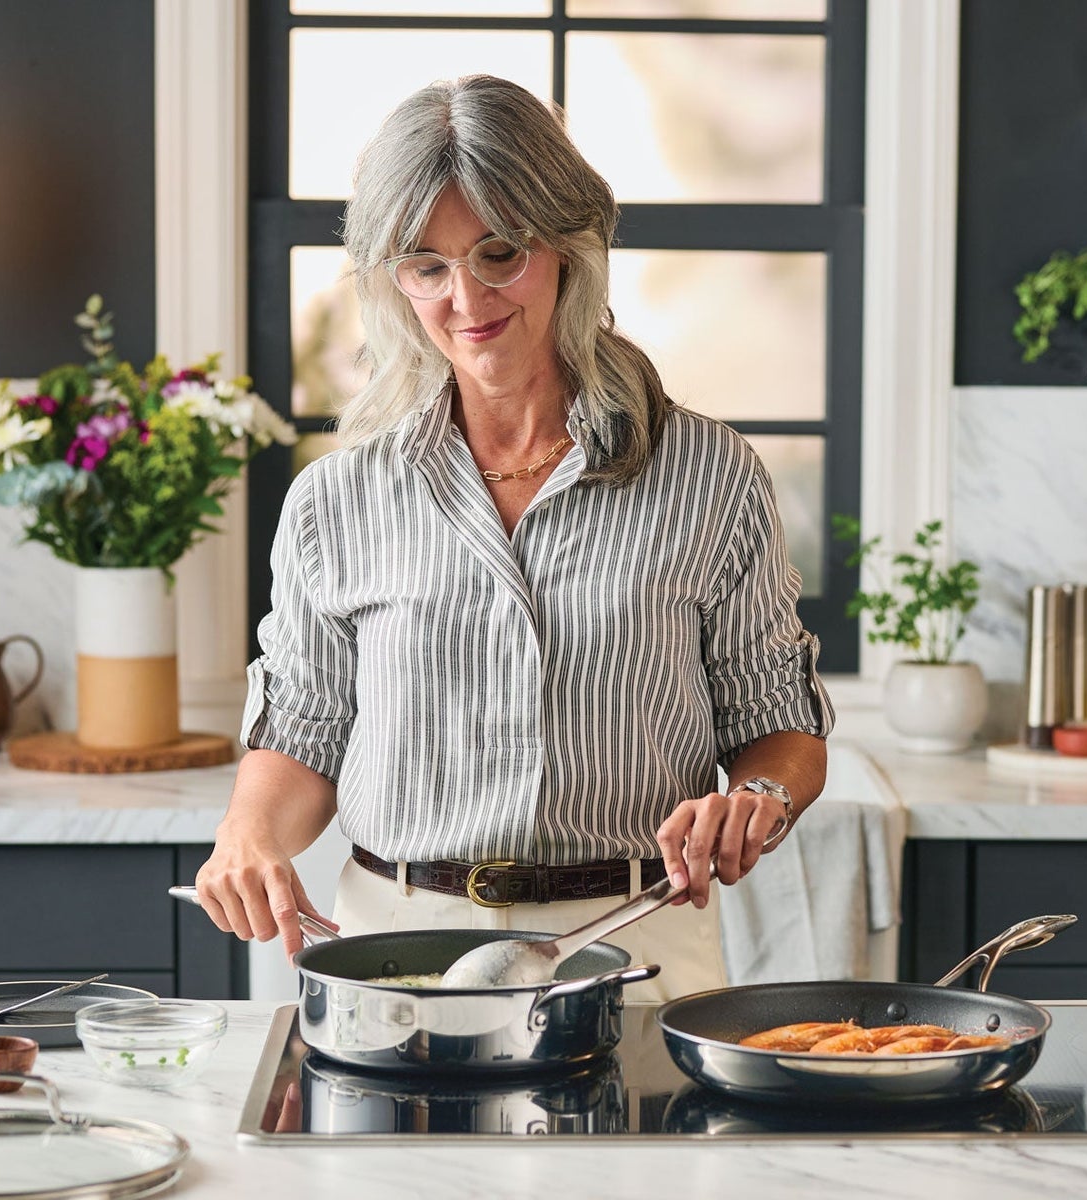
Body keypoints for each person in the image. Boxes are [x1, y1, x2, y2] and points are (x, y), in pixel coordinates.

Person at [193, 74, 833, 1000]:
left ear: (568, 249)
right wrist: (246, 836)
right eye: (427, 266)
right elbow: (305, 725)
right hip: (393, 949)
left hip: (630, 944)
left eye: (500, 252)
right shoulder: (338, 499)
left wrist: (759, 801)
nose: (466, 298)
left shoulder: (711, 475)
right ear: (393, 280)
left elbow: (779, 718)